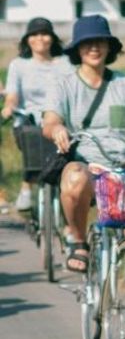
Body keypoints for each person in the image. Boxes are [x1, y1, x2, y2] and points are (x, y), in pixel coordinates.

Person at [42, 15, 125, 339]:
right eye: (88, 43)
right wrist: (57, 129)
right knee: (73, 177)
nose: (94, 48)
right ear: (78, 49)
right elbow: (51, 119)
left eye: (100, 42)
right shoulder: (65, 85)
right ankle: (78, 240)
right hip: (89, 165)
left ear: (110, 47)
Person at [2, 18, 72, 212]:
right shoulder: (19, 65)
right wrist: (9, 107)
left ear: (52, 38)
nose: (39, 38)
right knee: (32, 136)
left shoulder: (66, 63)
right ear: (28, 40)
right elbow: (13, 95)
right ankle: (26, 186)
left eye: (44, 34)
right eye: (34, 34)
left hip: (60, 119)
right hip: (30, 120)